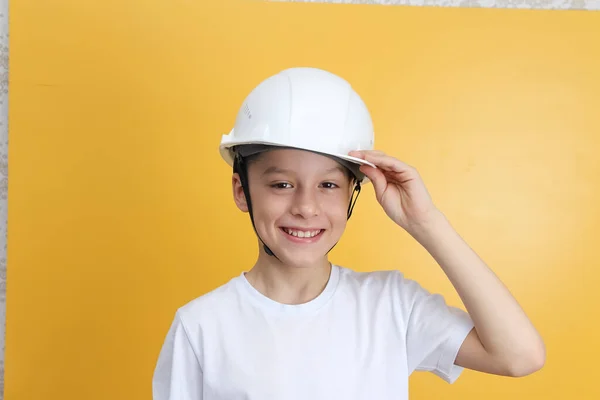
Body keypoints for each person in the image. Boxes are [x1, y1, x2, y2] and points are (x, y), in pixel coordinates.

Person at [152, 67, 545, 400]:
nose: (306, 207)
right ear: (243, 191)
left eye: (328, 186)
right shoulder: (201, 326)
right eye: (282, 185)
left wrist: (426, 222)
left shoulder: (391, 306)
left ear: (352, 194)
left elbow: (520, 355)